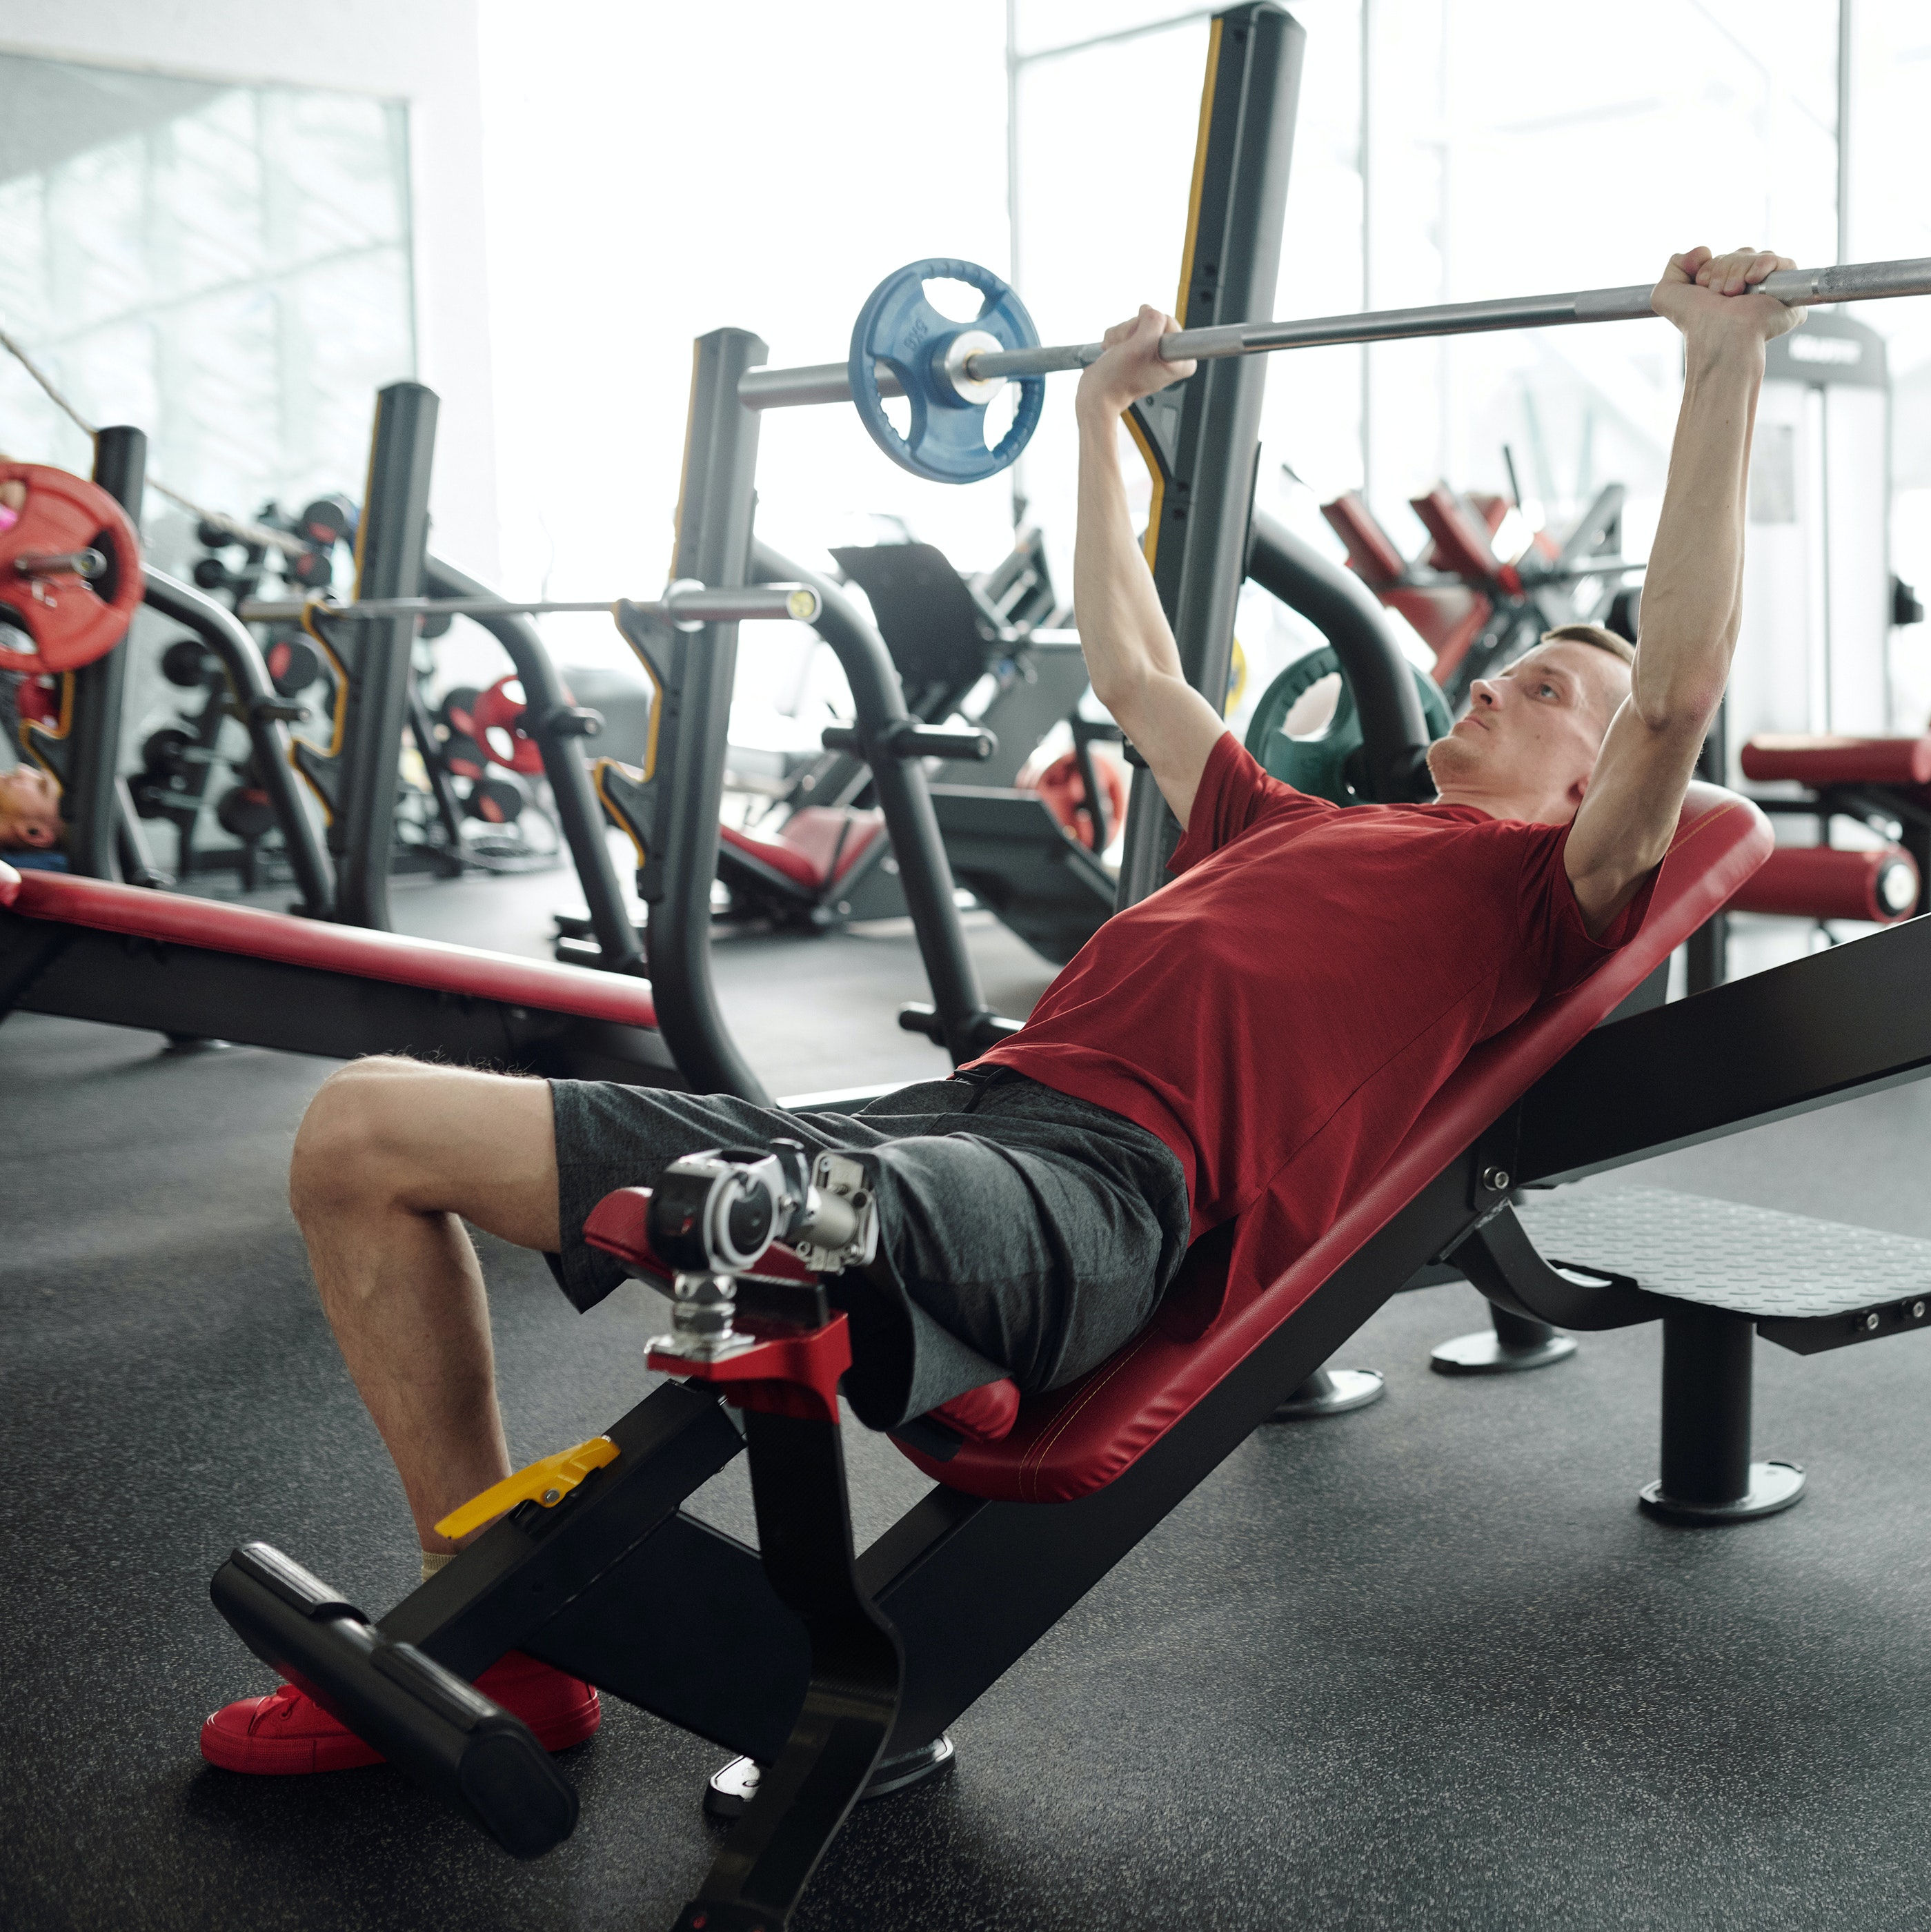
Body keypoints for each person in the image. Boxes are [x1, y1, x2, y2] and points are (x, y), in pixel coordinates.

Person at [199, 244, 1797, 1774]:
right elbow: (1134, 664)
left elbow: (1673, 689)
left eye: (1540, 690)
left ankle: (929, 1313)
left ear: (1591, 779)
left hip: (1092, 1192)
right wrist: (1100, 424)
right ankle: (504, 1643)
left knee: (791, 1215)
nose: (1492, 681)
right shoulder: (1287, 819)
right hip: (939, 1127)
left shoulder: (1535, 895)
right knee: (361, 1129)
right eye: (1507, 663)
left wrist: (1717, 371)